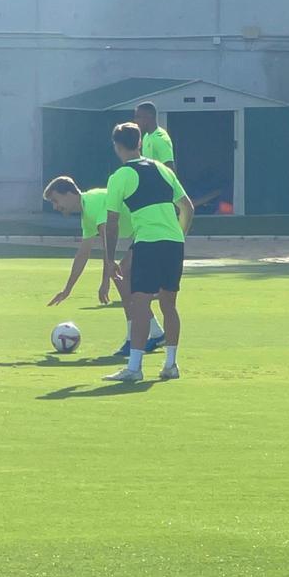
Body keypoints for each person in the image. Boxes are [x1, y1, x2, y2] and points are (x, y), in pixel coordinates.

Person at [101, 123, 194, 383]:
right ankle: (171, 364)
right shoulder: (163, 170)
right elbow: (187, 209)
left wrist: (109, 260)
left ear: (117, 147)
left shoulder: (120, 176)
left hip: (148, 243)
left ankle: (134, 367)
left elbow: (111, 222)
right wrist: (179, 238)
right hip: (174, 243)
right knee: (169, 304)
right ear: (140, 142)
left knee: (140, 303)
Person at [42, 176, 164, 355]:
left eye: (55, 200)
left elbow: (108, 243)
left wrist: (105, 281)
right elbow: (83, 253)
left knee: (121, 276)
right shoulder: (87, 212)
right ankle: (155, 332)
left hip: (153, 229)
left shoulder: (92, 202)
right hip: (144, 232)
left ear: (69, 194)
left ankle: (135, 338)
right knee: (123, 279)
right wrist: (67, 289)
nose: (55, 206)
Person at [134, 102, 176, 170]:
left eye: (138, 117)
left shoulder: (161, 139)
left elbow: (170, 170)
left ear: (150, 116)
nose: (135, 120)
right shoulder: (146, 136)